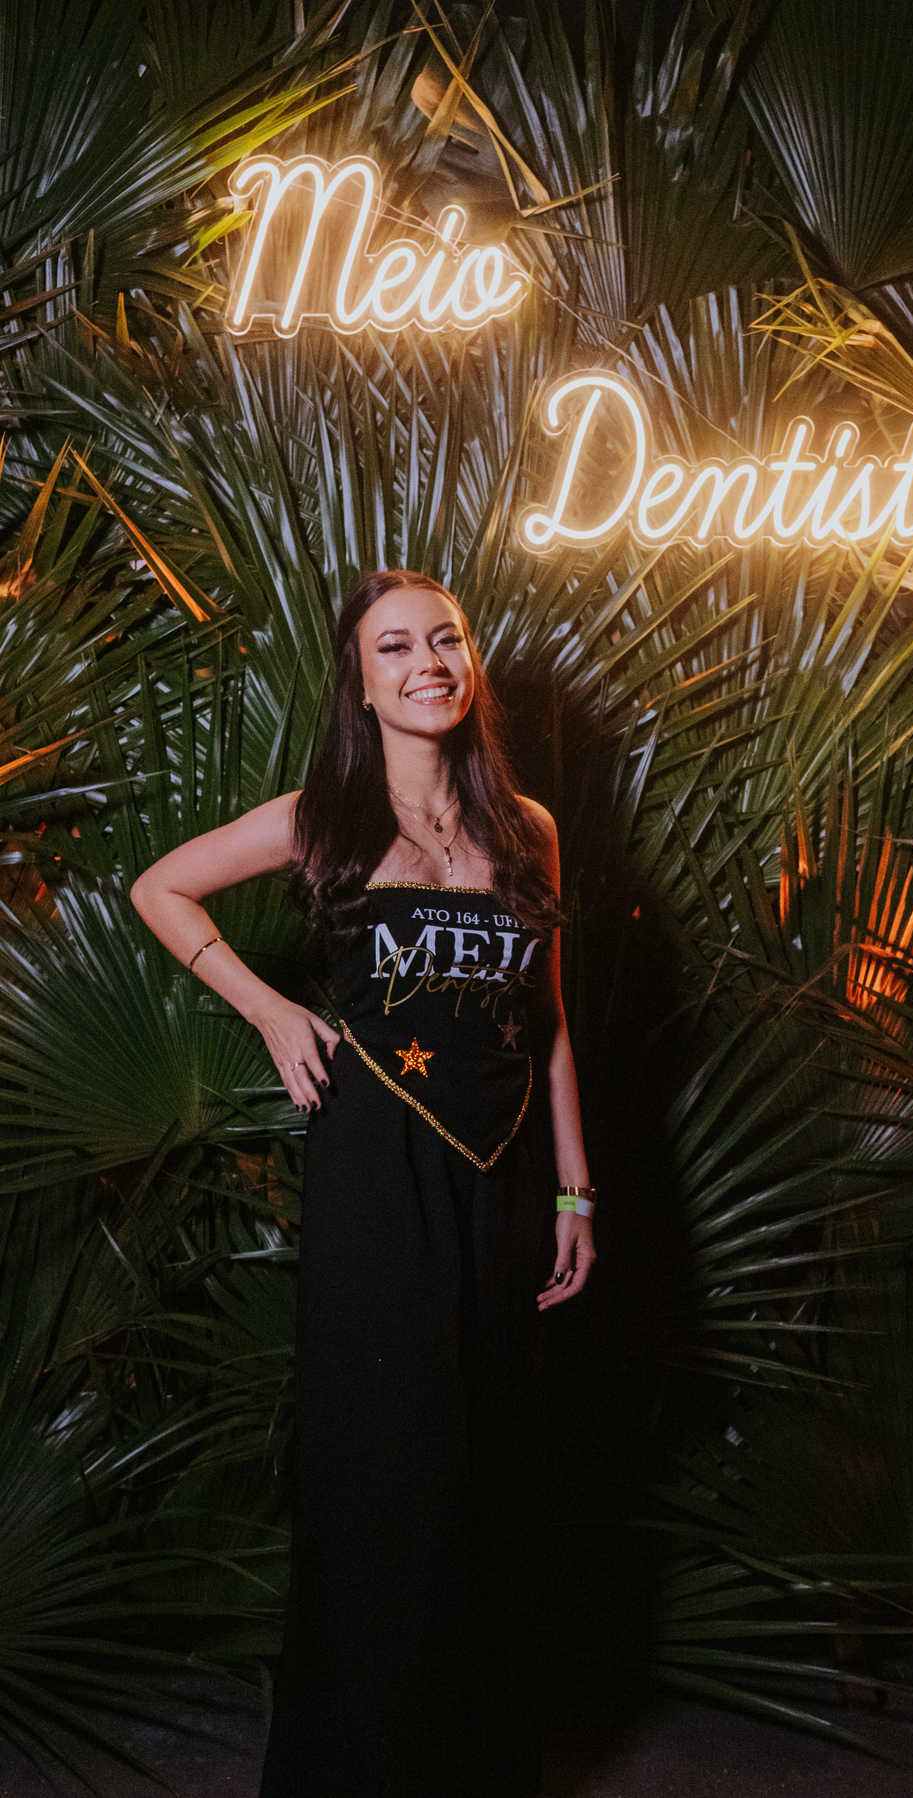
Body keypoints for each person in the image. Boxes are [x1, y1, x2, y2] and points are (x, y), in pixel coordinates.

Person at [129, 569, 596, 1798]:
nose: (426, 662)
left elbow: (549, 1019)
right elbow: (158, 886)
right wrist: (270, 1008)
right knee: (391, 1479)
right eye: (395, 647)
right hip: (376, 1178)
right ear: (361, 681)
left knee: (493, 1475)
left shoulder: (530, 828)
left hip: (504, 1180)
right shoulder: (321, 817)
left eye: (446, 639)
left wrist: (575, 1191)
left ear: (471, 661)